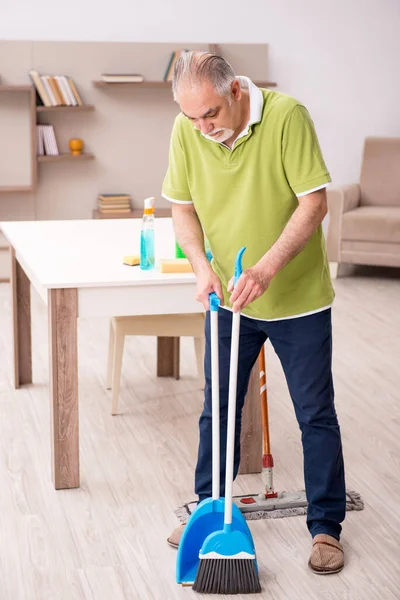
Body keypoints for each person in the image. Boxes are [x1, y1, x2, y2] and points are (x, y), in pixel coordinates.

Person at [162, 51, 346, 574]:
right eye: (191, 117)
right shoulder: (186, 127)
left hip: (297, 300)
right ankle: (207, 511)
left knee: (315, 413)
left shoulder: (287, 116)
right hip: (226, 299)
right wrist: (200, 267)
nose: (201, 128)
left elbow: (314, 203)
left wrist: (264, 270)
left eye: (211, 115)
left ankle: (327, 527)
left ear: (237, 91)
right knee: (216, 408)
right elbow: (182, 207)